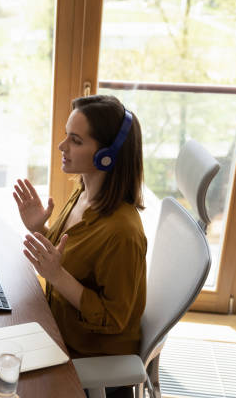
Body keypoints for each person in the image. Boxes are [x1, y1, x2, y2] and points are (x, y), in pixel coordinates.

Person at [13, 95, 146, 398]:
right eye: (65, 136)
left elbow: (113, 319)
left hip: (88, 357)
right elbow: (71, 260)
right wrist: (39, 228)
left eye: (75, 140)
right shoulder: (83, 192)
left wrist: (57, 277)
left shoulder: (123, 233)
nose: (62, 147)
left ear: (107, 156)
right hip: (57, 327)